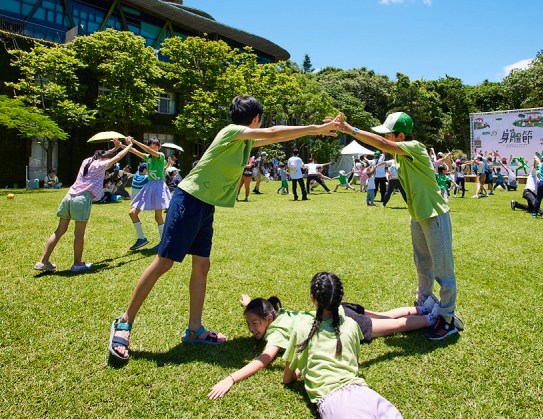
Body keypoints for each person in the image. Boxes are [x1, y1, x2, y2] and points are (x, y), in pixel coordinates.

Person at [107, 96, 340, 361]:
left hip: (205, 205)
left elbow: (275, 137)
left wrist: (311, 132)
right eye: (260, 119)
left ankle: (194, 329)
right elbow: (274, 132)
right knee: (164, 262)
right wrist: (315, 129)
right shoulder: (231, 132)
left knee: (201, 265)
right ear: (255, 119)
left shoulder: (244, 141)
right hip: (189, 199)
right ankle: (124, 322)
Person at [339, 111, 463, 340]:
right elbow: (385, 147)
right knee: (423, 264)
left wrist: (351, 130)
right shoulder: (398, 156)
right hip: (418, 214)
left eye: (389, 134)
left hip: (435, 214)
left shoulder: (414, 146)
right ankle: (425, 303)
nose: (386, 138)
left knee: (443, 269)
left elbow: (382, 144)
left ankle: (447, 318)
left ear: (401, 135)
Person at [208, 290, 439, 400]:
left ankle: (431, 319)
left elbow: (263, 360)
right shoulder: (279, 313)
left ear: (268, 319)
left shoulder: (275, 333)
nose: (252, 329)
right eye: (249, 324)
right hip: (337, 309)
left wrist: (231, 378)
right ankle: (424, 308)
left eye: (254, 323)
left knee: (394, 326)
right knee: (386, 316)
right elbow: (262, 307)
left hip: (340, 321)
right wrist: (249, 304)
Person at [281, 272, 403, 419]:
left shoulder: (301, 329)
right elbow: (356, 363)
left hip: (335, 402)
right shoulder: (351, 325)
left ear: (312, 298)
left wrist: (303, 370)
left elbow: (287, 379)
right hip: (365, 393)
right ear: (340, 299)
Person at [34, 137, 134, 272]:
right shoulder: (100, 165)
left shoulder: (87, 161)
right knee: (79, 234)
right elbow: (116, 158)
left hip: (69, 196)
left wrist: (115, 148)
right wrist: (129, 146)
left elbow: (105, 155)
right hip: (81, 198)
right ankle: (77, 264)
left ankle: (43, 261)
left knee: (59, 230)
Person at [126, 137, 171, 251]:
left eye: (155, 145)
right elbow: (134, 151)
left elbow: (149, 151)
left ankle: (163, 242)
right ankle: (141, 238)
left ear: (159, 147)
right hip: (149, 186)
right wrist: (122, 145)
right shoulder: (148, 157)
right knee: (132, 213)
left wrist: (135, 141)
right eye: (150, 145)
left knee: (158, 216)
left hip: (158, 186)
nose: (152, 147)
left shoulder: (160, 156)